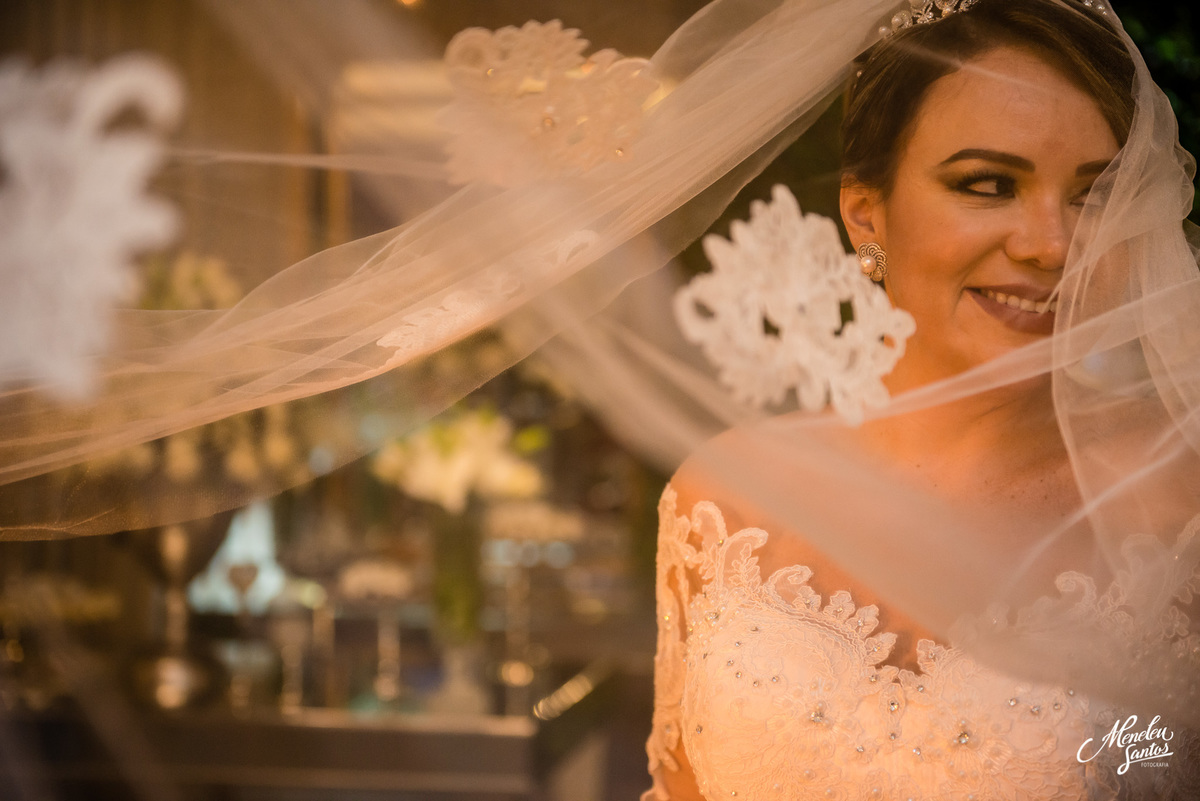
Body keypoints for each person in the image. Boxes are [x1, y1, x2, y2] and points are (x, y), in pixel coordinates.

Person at [643, 0, 1200, 798]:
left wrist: (1106, 746)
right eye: (989, 184)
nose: (1051, 244)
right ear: (866, 213)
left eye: (1094, 194)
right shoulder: (723, 501)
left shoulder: (1181, 511)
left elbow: (1153, 755)